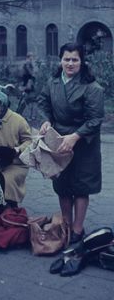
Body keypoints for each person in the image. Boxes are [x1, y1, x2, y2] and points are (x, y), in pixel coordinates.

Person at [37, 42, 104, 245]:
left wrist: (75, 137)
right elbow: (43, 101)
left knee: (81, 186)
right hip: (58, 140)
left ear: (82, 62)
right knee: (63, 185)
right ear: (61, 60)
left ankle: (77, 229)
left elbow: (95, 119)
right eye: (66, 59)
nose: (70, 63)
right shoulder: (53, 82)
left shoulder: (92, 87)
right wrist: (46, 120)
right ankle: (66, 225)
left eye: (75, 59)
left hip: (84, 143)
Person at [0, 90, 32, 213]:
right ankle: (3, 215)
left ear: (3, 105)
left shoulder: (18, 120)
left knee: (4, 182)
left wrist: (17, 150)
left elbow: (29, 141)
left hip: (16, 163)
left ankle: (12, 214)